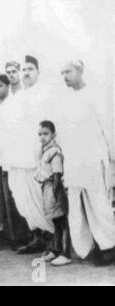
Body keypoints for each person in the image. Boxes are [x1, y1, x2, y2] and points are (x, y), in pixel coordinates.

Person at [53, 60, 115, 266]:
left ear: (80, 70)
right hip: (73, 161)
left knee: (99, 204)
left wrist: (112, 159)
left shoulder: (95, 95)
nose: (65, 76)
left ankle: (108, 246)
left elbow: (108, 128)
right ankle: (86, 247)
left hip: (93, 159)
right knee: (77, 205)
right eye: (62, 72)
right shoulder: (65, 100)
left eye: (68, 71)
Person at [7, 55, 55, 254]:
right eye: (23, 70)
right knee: (22, 198)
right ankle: (37, 237)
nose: (26, 73)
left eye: (30, 69)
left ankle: (53, 238)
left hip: (36, 157)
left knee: (41, 199)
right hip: (17, 158)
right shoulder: (16, 98)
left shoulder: (45, 95)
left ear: (38, 72)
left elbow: (49, 127)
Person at [0, 74, 29, 248]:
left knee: (14, 198)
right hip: (1, 158)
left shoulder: (14, 105)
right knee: (5, 200)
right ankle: (13, 237)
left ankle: (22, 236)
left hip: (11, 159)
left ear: (7, 86)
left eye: (0, 85)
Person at [34, 121, 71, 266]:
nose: (42, 137)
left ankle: (66, 253)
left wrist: (55, 192)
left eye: (46, 134)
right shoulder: (44, 150)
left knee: (62, 220)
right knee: (55, 221)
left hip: (54, 187)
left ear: (53, 135)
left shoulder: (54, 151)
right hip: (46, 187)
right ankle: (56, 250)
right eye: (40, 134)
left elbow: (57, 173)